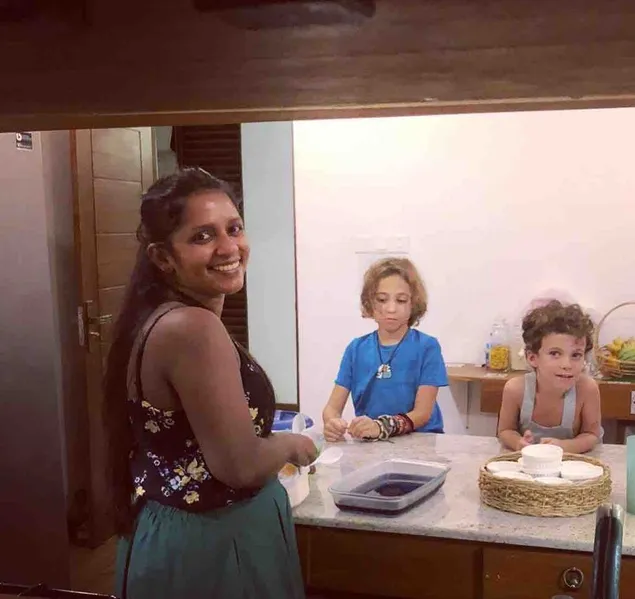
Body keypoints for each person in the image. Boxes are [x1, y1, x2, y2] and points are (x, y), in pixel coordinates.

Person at [103, 168, 317, 598]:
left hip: (185, 531)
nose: (229, 247)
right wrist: (290, 445)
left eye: (234, 228)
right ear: (163, 258)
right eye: (203, 236)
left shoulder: (165, 319)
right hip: (213, 545)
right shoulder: (192, 329)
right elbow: (239, 465)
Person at [322, 257, 448, 442]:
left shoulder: (427, 347)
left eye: (401, 300)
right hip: (370, 443)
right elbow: (332, 409)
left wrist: (381, 427)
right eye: (382, 299)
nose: (391, 309)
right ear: (370, 303)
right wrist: (332, 423)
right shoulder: (356, 349)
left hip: (421, 442)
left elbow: (422, 413)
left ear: (413, 303)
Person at [497, 300, 602, 453]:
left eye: (576, 355)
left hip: (573, 464)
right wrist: (519, 443)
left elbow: (591, 435)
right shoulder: (515, 389)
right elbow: (505, 430)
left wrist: (565, 447)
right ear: (532, 358)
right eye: (555, 353)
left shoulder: (587, 389)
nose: (567, 364)